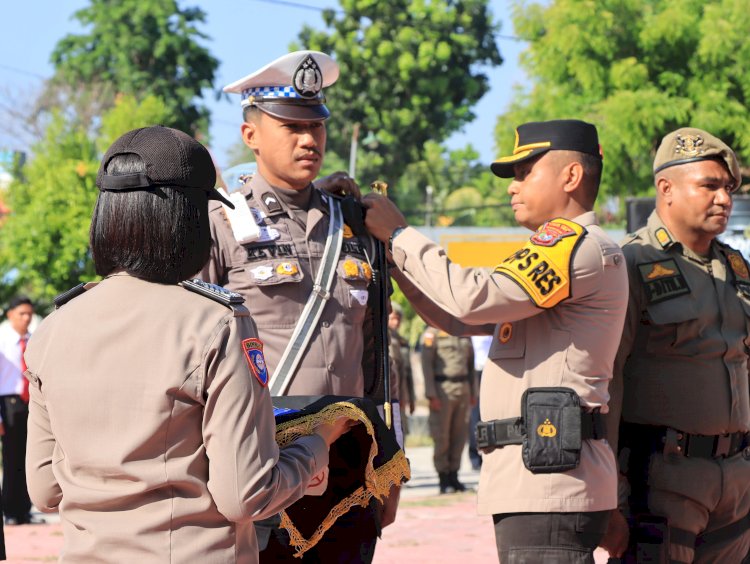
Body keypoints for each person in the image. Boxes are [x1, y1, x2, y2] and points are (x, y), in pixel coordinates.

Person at [24, 125, 352, 563]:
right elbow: (244, 495)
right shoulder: (215, 322)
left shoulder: (54, 327)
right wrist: (316, 444)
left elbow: (44, 489)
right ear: (189, 218)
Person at [364, 119, 629, 562]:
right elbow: (455, 317)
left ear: (571, 176)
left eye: (526, 171)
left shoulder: (571, 245)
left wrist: (400, 234)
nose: (513, 186)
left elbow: (469, 297)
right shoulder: (563, 250)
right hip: (539, 476)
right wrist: (394, 261)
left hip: (549, 480)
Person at [201, 50, 404, 563]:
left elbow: (380, 355)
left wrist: (392, 461)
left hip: (350, 466)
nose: (309, 139)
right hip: (267, 464)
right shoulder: (222, 222)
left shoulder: (358, 224)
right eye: (291, 126)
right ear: (251, 136)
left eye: (315, 125)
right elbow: (192, 354)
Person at [603, 128, 750, 563]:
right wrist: (608, 497)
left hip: (737, 480)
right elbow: (604, 384)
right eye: (709, 186)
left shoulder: (736, 268)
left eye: (727, 188)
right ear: (665, 189)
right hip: (662, 481)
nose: (723, 198)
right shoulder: (628, 264)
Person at [0, 296, 40, 525]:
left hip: (30, 403)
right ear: (10, 315)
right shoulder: (2, 341)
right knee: (11, 457)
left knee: (29, 457)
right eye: (21, 313)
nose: (26, 318)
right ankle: (10, 510)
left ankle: (25, 509)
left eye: (29, 314)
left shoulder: (34, 340)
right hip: (8, 403)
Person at [420, 326, 475, 494]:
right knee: (442, 435)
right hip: (442, 389)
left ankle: (454, 475)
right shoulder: (432, 334)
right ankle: (443, 478)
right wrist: (431, 394)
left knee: (460, 435)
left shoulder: (465, 330)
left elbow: (470, 364)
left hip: (463, 388)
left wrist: (473, 391)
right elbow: (426, 365)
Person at [388, 303, 415, 439]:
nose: (395, 322)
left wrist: (411, 398)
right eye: (392, 318)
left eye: (398, 319)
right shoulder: (384, 341)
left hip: (401, 397)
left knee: (401, 436)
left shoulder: (402, 342)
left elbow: (407, 374)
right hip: (390, 398)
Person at [468, 334, 492, 470]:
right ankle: (474, 455)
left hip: (492, 371)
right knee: (475, 416)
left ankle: (487, 453)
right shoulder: (471, 330)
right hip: (476, 372)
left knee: (489, 415)